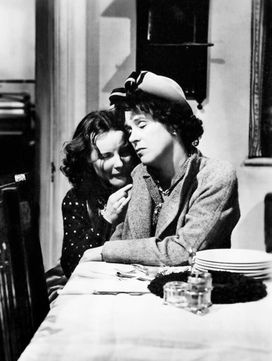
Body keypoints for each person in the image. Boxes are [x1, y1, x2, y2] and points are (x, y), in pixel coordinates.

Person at [79, 71, 240, 266]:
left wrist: (105, 251)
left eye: (141, 125)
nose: (133, 138)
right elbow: (121, 243)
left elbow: (184, 251)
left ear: (172, 124)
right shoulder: (139, 176)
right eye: (130, 129)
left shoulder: (215, 176)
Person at [57, 109, 138, 278]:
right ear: (87, 158)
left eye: (124, 152)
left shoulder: (146, 188)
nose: (119, 163)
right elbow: (71, 264)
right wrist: (106, 219)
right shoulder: (77, 199)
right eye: (106, 156)